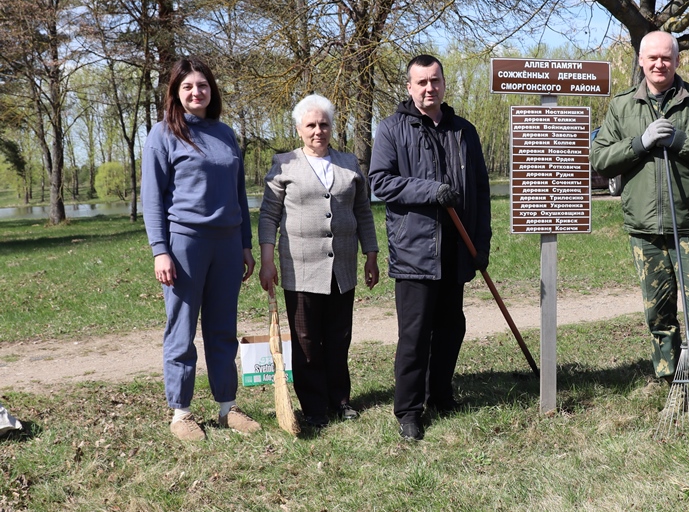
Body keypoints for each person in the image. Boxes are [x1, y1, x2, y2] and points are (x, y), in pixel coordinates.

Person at [591, 30, 689, 433]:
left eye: (666, 57)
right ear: (641, 62)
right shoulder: (623, 106)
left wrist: (681, 140)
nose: (659, 64)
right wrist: (639, 143)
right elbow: (601, 158)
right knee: (658, 313)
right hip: (644, 227)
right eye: (652, 58)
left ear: (677, 61)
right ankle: (670, 381)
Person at [369, 54, 491, 441]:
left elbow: (480, 193)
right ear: (409, 86)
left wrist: (481, 243)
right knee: (415, 334)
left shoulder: (463, 131)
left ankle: (440, 393)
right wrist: (430, 190)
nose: (429, 88)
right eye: (421, 82)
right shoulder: (391, 129)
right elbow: (381, 183)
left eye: (435, 81)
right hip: (414, 252)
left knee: (452, 328)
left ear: (443, 83)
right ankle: (408, 410)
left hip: (456, 250)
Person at [142, 57, 260, 441]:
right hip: (184, 245)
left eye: (203, 85)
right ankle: (181, 413)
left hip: (227, 244)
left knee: (222, 328)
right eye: (188, 86)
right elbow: (152, 199)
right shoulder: (162, 135)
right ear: (176, 92)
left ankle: (228, 407)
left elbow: (239, 194)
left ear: (212, 90)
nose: (197, 92)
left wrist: (245, 244)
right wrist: (161, 249)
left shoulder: (225, 133)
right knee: (182, 329)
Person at [258, 94, 380, 429]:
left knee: (339, 338)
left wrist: (371, 255)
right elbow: (269, 216)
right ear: (299, 129)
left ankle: (340, 400)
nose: (318, 131)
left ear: (332, 127)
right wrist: (267, 260)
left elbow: (363, 213)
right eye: (310, 125)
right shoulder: (284, 164)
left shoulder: (349, 164)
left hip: (342, 268)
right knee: (307, 341)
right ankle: (313, 407)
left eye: (324, 124)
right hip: (300, 268)